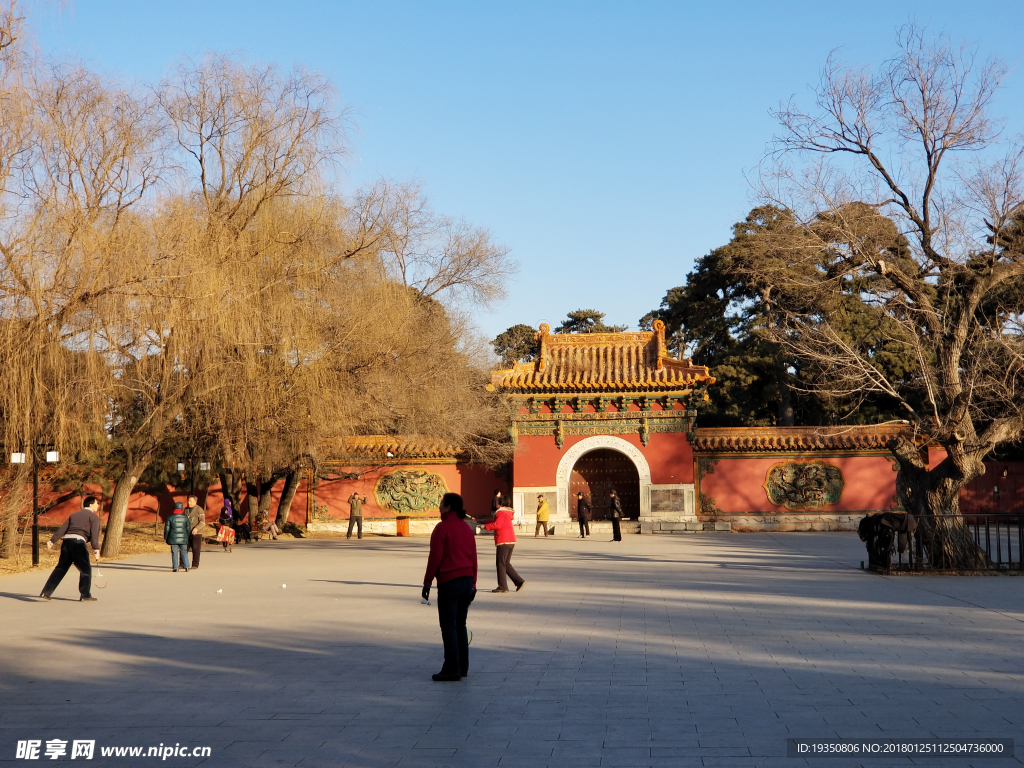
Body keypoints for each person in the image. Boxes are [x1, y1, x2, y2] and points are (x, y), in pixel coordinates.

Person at [422, 493, 478, 682]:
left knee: (448, 626)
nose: (439, 507)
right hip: (466, 581)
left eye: (441, 504)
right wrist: (474, 583)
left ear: (449, 507)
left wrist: (427, 582)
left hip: (449, 582)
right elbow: (474, 557)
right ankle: (463, 667)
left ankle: (451, 668)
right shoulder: (466, 528)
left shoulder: (442, 528)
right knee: (460, 625)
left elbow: (435, 557)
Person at [39, 495, 102, 602]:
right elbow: (94, 534)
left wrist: (52, 540)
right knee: (85, 570)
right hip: (78, 543)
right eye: (97, 503)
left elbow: (63, 528)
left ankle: (46, 592)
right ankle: (85, 595)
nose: (98, 505)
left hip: (66, 542)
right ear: (91, 504)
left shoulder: (74, 514)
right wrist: (96, 549)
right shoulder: (93, 517)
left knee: (61, 568)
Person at [484, 496, 524, 593]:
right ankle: (519, 581)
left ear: (500, 503)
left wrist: (485, 526)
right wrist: (484, 523)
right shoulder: (507, 512)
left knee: (500, 564)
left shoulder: (501, 512)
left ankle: (503, 586)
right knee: (506, 563)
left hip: (503, 540)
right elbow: (497, 522)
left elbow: (497, 525)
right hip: (510, 540)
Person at [164, 503, 191, 572]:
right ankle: (186, 566)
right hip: (183, 538)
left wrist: (166, 537)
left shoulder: (170, 517)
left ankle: (176, 567)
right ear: (181, 508)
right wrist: (187, 536)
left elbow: (167, 529)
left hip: (173, 538)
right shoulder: (185, 517)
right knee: (184, 552)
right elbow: (188, 528)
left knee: (174, 552)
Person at [184, 495, 205, 569]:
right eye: (188, 501)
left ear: (195, 502)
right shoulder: (186, 510)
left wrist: (196, 528)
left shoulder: (199, 509)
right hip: (187, 532)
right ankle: (182, 563)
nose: (189, 503)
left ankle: (195, 564)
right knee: (184, 548)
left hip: (197, 533)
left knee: (196, 549)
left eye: (191, 501)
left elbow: (202, 522)